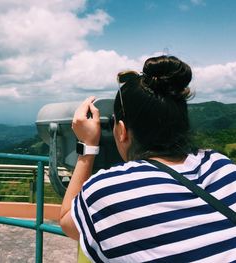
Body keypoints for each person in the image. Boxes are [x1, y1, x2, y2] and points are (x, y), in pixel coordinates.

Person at [60, 55, 236, 262]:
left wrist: (88, 148)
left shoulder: (108, 190)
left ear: (122, 131)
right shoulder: (222, 165)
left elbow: (67, 221)